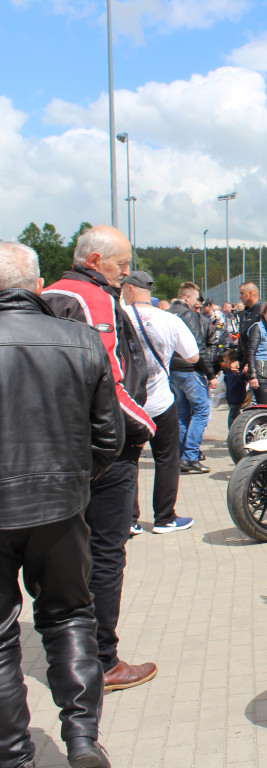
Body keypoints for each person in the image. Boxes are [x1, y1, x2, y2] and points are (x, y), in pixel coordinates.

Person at [0, 242, 122, 768]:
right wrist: (75, 479)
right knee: (70, 616)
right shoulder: (79, 338)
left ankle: (15, 754)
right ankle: (81, 738)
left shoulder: (78, 339)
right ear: (35, 283)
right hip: (61, 505)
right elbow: (108, 437)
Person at [42, 225, 159, 693]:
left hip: (57, 446)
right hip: (102, 449)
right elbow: (109, 378)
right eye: (121, 264)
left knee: (67, 554)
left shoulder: (45, 293)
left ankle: (65, 650)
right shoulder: (92, 300)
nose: (126, 273)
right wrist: (145, 426)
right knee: (106, 554)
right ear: (94, 261)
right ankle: (102, 659)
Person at [123, 271, 198, 534]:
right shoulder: (169, 319)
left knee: (128, 459)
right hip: (160, 401)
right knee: (166, 458)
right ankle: (164, 517)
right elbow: (192, 356)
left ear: (130, 290)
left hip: (128, 402)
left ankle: (129, 518)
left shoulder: (118, 316)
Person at [167, 282, 217, 475]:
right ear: (187, 298)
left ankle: (180, 456)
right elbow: (197, 347)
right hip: (189, 369)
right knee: (201, 412)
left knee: (182, 414)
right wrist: (211, 374)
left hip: (173, 370)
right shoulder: (189, 315)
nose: (197, 302)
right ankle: (190, 456)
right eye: (195, 299)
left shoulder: (168, 313)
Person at [237, 281, 263, 369]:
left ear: (251, 293)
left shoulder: (262, 312)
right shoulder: (244, 313)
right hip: (244, 363)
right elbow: (242, 339)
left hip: (257, 364)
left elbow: (262, 342)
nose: (240, 297)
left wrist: (251, 364)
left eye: (242, 293)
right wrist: (237, 359)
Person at [221, 349, 249, 428]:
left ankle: (232, 433)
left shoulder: (236, 371)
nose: (225, 364)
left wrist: (239, 374)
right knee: (236, 415)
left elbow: (241, 380)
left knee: (232, 417)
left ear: (232, 361)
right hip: (231, 397)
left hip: (236, 397)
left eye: (226, 361)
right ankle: (237, 429)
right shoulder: (229, 371)